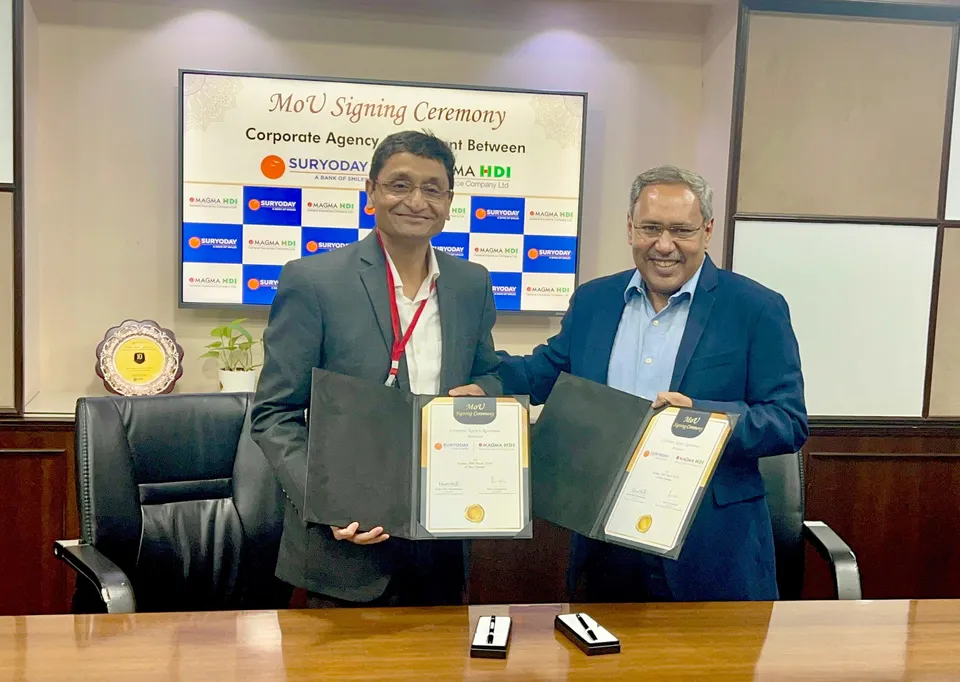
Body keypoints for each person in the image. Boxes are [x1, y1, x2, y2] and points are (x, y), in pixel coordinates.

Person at [498, 165, 808, 602]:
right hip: (604, 538)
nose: (664, 246)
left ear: (707, 231)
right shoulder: (594, 301)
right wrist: (468, 364)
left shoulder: (756, 308)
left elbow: (788, 421)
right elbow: (539, 374)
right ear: (630, 228)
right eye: (650, 228)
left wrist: (707, 420)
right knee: (599, 668)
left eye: (681, 230)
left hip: (710, 549)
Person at [251, 130, 501, 608]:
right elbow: (274, 414)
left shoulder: (471, 283)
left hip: (441, 541)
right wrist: (327, 503)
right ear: (371, 192)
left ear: (450, 201)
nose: (416, 201)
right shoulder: (314, 281)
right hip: (345, 549)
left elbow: (487, 372)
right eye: (399, 185)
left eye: (433, 188)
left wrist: (481, 394)